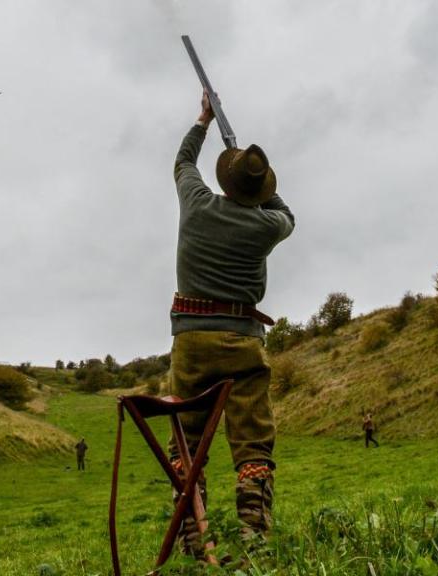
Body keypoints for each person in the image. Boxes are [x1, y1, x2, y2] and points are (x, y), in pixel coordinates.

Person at [166, 91, 295, 557]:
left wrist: (203, 122)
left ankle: (194, 544)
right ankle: (254, 545)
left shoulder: (197, 204)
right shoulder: (266, 225)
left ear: (224, 181)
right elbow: (286, 214)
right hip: (242, 340)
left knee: (187, 442)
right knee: (253, 444)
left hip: (191, 341)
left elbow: (183, 162)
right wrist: (261, 184)